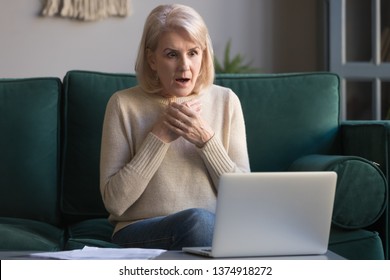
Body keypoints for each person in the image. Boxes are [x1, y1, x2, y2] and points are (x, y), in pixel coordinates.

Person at [100, 4, 250, 250]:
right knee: (199, 223)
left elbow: (244, 198)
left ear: (204, 55)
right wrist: (158, 137)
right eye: (172, 54)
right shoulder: (122, 104)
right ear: (152, 60)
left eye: (193, 53)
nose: (185, 66)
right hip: (140, 229)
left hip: (214, 230)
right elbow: (115, 202)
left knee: (209, 224)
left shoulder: (227, 101)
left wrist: (207, 141)